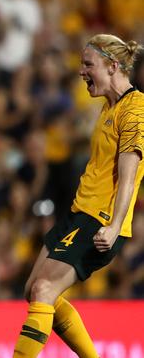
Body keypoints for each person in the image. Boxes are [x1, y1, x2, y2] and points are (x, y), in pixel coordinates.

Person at [13, 34, 144, 357]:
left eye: (88, 64)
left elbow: (129, 176)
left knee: (44, 289)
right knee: (33, 291)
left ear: (113, 66)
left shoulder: (136, 109)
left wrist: (114, 226)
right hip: (78, 213)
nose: (81, 72)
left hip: (99, 220)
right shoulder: (109, 108)